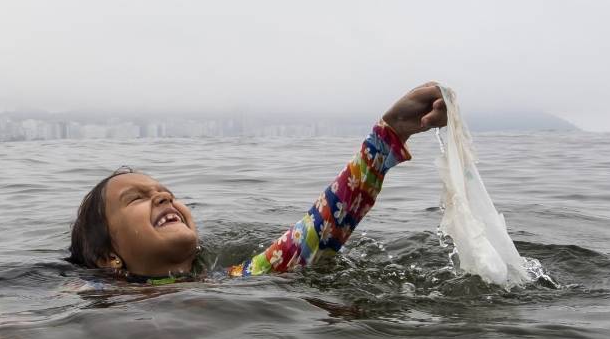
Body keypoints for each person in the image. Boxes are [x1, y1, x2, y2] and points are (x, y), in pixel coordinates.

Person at [67, 82, 449, 284]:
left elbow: (314, 233)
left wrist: (386, 138)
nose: (164, 196)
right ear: (108, 257)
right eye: (136, 198)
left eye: (166, 192)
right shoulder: (93, 300)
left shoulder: (232, 280)